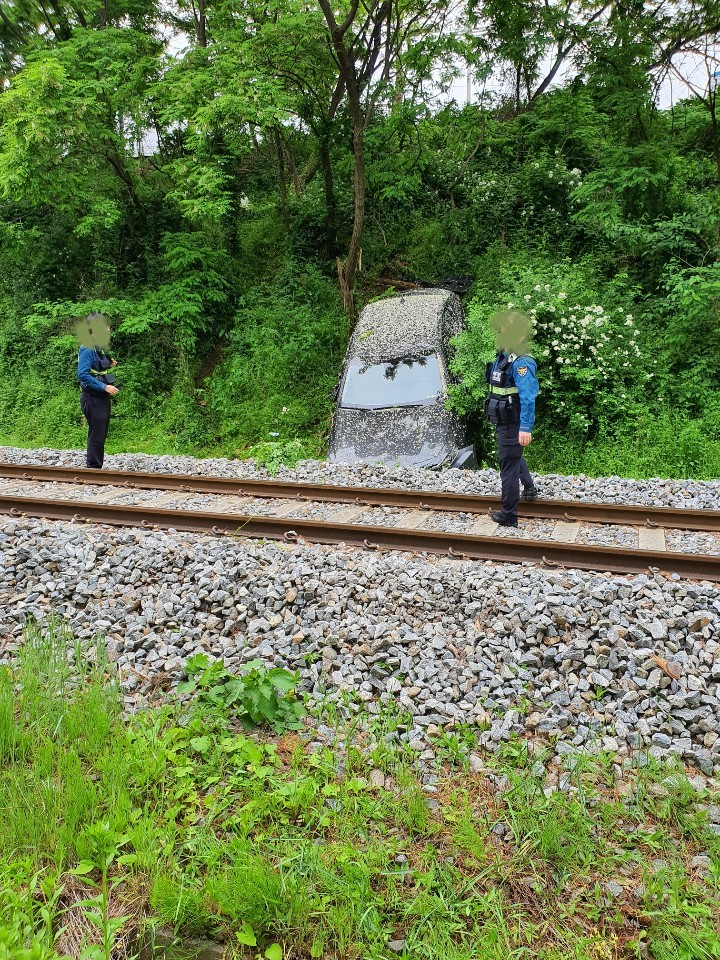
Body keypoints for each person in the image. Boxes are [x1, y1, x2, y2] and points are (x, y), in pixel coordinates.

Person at [484, 310, 539, 528]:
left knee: (507, 466)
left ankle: (509, 515)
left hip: (513, 422)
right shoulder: (504, 355)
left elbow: (528, 398)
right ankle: (529, 487)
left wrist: (525, 428)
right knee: (513, 456)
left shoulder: (521, 363)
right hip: (504, 420)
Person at [77, 314, 119, 469]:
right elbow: (82, 375)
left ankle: (95, 467)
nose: (108, 329)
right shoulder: (87, 348)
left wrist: (109, 365)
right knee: (97, 434)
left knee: (100, 433)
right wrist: (104, 387)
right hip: (92, 397)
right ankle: (94, 469)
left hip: (101, 397)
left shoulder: (97, 347)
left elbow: (96, 369)